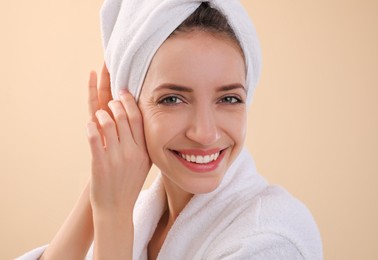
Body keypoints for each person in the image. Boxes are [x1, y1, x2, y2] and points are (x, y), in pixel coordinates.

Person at [18, 1, 322, 259]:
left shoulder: (274, 240)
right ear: (131, 109)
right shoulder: (139, 216)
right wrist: (105, 181)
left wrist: (112, 216)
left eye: (229, 98)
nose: (205, 133)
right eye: (173, 99)